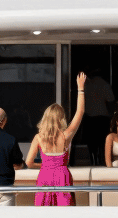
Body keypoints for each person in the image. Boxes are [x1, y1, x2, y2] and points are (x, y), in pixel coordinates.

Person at [25, 73, 87, 206]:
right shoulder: (66, 136)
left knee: (44, 212)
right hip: (62, 176)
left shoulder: (38, 137)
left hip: (45, 176)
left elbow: (29, 162)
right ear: (61, 118)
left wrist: (45, 165)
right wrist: (80, 89)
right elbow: (80, 112)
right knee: (64, 213)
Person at [81, 71, 115, 166]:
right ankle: (102, 162)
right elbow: (110, 101)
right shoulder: (104, 84)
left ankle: (94, 162)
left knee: (91, 144)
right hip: (102, 118)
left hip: (89, 118)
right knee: (102, 143)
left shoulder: (86, 84)